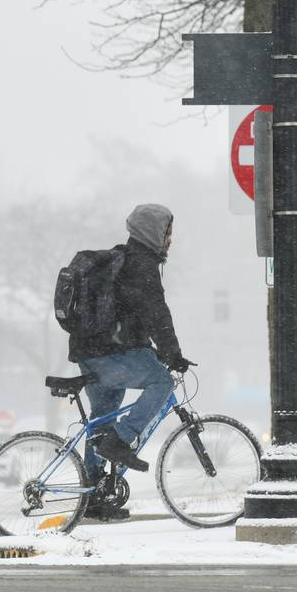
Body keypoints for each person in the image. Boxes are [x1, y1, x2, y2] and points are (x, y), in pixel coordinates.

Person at [78, 203, 194, 519]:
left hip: (92, 354)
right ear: (152, 233)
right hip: (110, 356)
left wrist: (154, 351)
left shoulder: (123, 260)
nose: (170, 240)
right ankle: (121, 440)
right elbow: (157, 314)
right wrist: (173, 354)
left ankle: (92, 495)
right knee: (162, 381)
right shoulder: (141, 266)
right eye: (167, 233)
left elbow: (131, 319)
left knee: (101, 418)